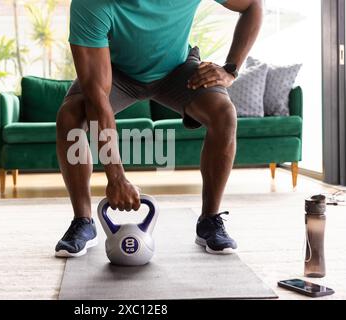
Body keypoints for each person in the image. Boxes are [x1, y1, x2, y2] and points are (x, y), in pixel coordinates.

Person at [55, 0, 263, 257]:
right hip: (117, 74)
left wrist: (230, 69)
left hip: (176, 70)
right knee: (70, 117)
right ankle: (83, 222)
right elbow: (98, 98)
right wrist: (116, 177)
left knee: (224, 113)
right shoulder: (91, 5)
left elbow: (252, 5)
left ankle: (209, 220)